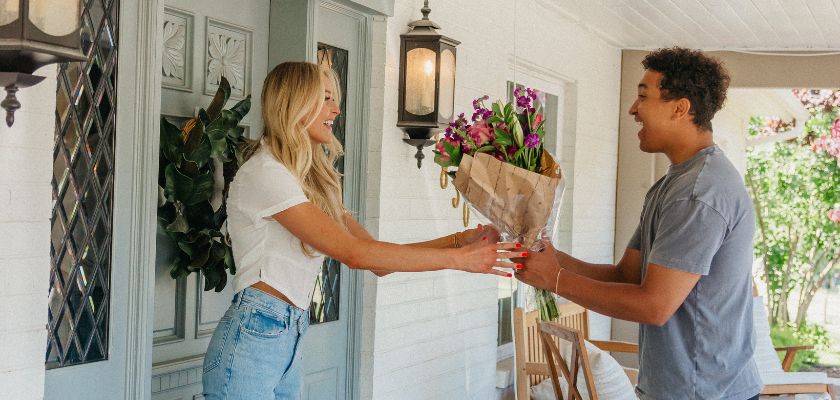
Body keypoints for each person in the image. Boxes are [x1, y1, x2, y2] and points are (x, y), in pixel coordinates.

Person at [201, 62, 526, 399]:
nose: (336, 110)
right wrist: (462, 260)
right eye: (326, 98)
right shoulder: (266, 174)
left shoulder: (304, 181)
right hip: (254, 336)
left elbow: (376, 259)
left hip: (285, 334)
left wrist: (458, 242)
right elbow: (354, 254)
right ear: (295, 102)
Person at [515, 47, 763, 400]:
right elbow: (626, 277)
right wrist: (545, 256)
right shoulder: (672, 185)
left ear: (680, 108)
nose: (633, 109)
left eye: (643, 97)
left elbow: (654, 306)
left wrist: (554, 279)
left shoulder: (698, 192)